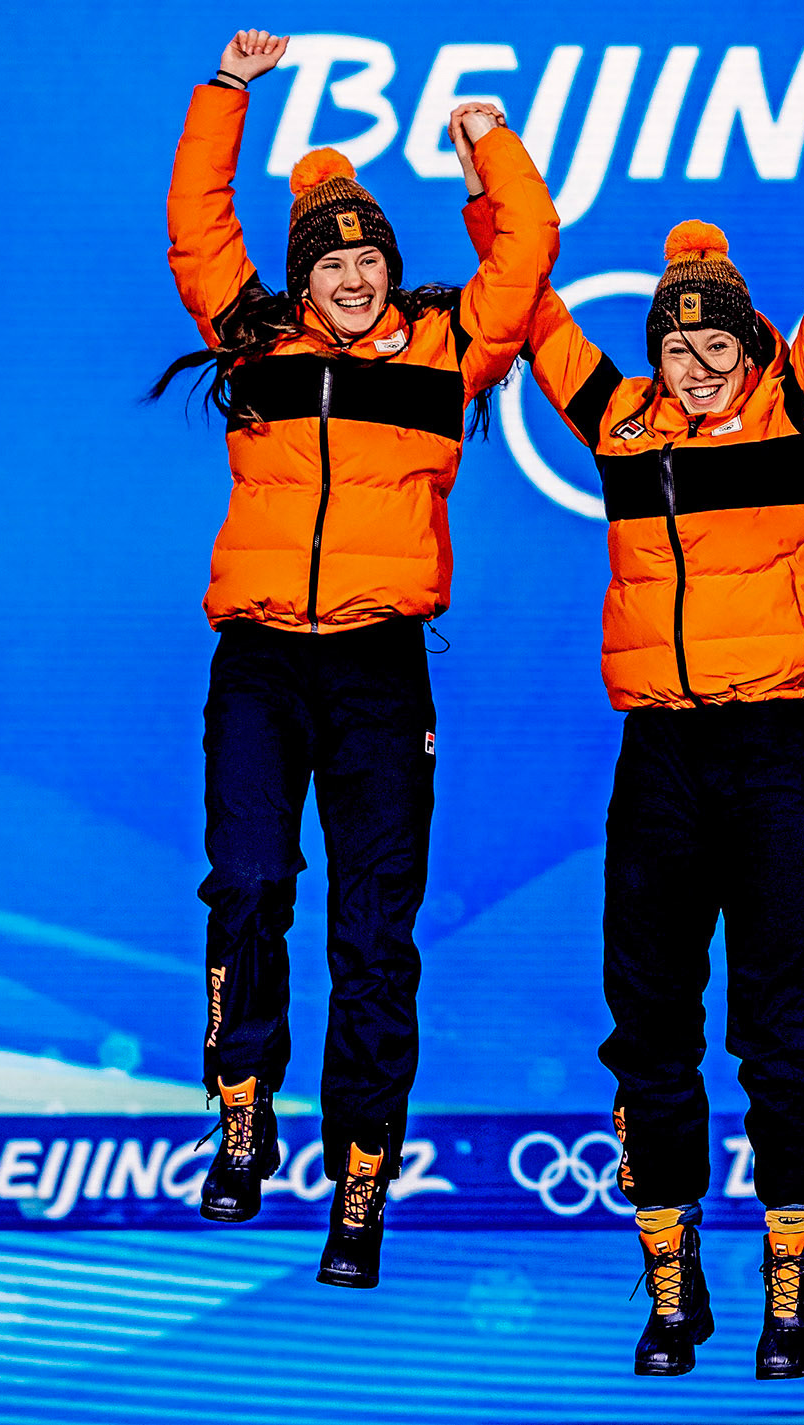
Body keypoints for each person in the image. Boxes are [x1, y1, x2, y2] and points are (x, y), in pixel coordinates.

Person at [455, 82, 804, 1379]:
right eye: (678, 347)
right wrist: (489, 161)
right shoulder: (620, 418)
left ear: (754, 350)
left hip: (771, 755)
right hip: (658, 760)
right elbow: (527, 307)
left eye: (718, 347)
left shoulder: (803, 408)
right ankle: (671, 1283)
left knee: (781, 1029)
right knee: (648, 1026)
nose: (698, 366)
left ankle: (794, 1289)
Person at [154, 29, 557, 1288]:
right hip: (262, 665)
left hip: (383, 669)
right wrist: (225, 90)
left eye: (371, 255)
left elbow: (528, 254)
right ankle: (240, 1109)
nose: (354, 275)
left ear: (392, 264)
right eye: (331, 260)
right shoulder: (255, 340)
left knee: (376, 930)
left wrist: (488, 147)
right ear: (303, 277)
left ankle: (362, 1183)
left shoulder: (448, 350)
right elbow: (197, 224)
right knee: (249, 887)